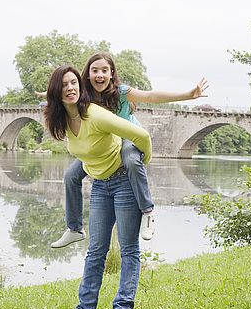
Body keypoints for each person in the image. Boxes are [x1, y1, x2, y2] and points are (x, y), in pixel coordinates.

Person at [40, 52, 209, 248]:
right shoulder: (84, 93)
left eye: (105, 70)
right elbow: (65, 92)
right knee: (70, 175)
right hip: (105, 145)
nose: (100, 75)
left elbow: (150, 96)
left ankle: (147, 211)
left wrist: (188, 94)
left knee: (130, 159)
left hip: (127, 138)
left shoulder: (120, 91)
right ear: (87, 75)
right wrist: (50, 93)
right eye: (95, 71)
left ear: (112, 73)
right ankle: (75, 228)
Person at [44, 64, 152, 309]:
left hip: (124, 182)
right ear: (56, 92)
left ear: (80, 88)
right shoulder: (62, 121)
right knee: (96, 251)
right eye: (64, 85)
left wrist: (140, 162)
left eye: (73, 83)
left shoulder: (95, 114)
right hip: (100, 186)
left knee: (128, 249)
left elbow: (142, 135)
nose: (70, 88)